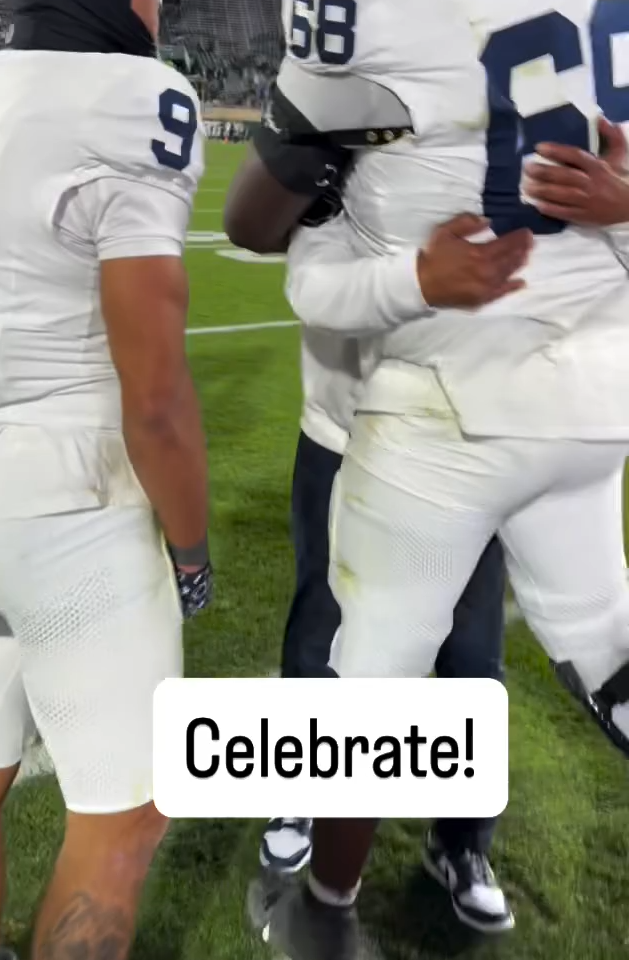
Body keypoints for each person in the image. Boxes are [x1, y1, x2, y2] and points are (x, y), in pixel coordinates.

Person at [230, 0, 629, 956]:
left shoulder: (365, 29)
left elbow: (256, 219)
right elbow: (272, 225)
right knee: (334, 640)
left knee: (431, 661)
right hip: (392, 405)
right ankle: (308, 816)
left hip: (439, 408)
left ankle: (431, 858)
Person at [0, 4, 211, 960]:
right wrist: (192, 546)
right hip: (67, 489)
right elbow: (155, 394)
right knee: (124, 817)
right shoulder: (137, 96)